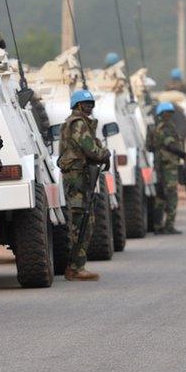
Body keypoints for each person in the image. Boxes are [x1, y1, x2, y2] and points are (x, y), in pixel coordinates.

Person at [57, 89, 111, 281]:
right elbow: (90, 148)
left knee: (86, 221)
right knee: (81, 221)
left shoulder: (82, 123)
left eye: (91, 104)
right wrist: (104, 154)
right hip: (76, 178)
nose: (89, 106)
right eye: (85, 104)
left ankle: (77, 265)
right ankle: (75, 267)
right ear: (77, 106)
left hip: (81, 177)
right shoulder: (78, 124)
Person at [146, 102, 186, 234]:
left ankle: (157, 226)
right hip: (169, 165)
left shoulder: (153, 127)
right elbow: (170, 144)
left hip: (159, 164)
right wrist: (181, 153)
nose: (169, 115)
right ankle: (169, 226)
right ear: (162, 114)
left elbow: (149, 147)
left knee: (160, 196)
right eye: (167, 113)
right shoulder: (167, 127)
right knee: (172, 195)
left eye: (170, 113)